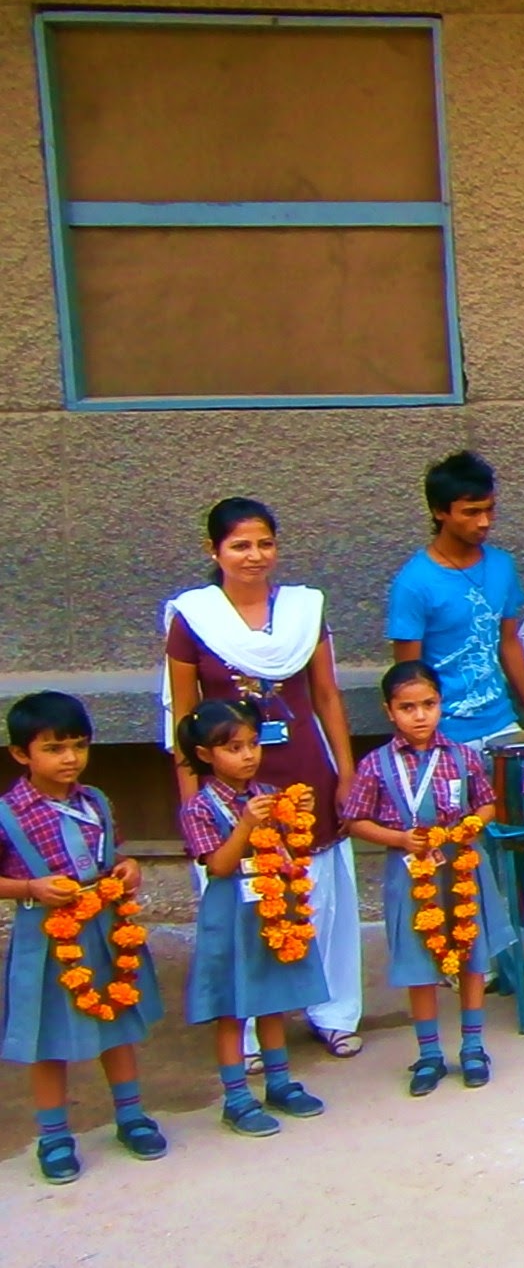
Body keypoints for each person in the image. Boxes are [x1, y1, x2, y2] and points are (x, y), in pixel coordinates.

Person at [162, 497, 363, 1060]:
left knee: (321, 895)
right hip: (229, 789)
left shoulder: (304, 610)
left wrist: (347, 773)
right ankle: (248, 1031)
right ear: (214, 551)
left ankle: (333, 1012)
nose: (255, 556)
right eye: (240, 545)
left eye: (265, 543)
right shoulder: (192, 618)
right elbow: (183, 716)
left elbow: (326, 695)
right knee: (245, 905)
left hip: (304, 771)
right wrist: (191, 799)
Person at [0, 692, 165, 1183]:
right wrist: (28, 887)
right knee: (48, 1037)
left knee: (117, 1018)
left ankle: (131, 1116)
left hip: (106, 927)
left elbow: (113, 855)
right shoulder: (8, 814)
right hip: (47, 937)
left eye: (79, 745)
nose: (70, 758)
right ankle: (53, 1137)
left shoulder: (95, 801)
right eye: (53, 748)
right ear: (21, 754)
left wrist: (127, 868)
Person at [339, 661, 515, 1097]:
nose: (420, 716)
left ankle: (473, 1046)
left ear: (441, 704)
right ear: (389, 711)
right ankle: (429, 1052)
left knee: (472, 955)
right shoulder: (376, 764)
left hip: (461, 868)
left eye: (429, 704)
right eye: (407, 708)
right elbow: (355, 821)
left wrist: (470, 826)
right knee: (420, 961)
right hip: (410, 872)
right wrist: (400, 838)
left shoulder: (462, 756)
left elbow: (488, 804)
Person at [175, 699, 328, 1136]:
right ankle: (236, 1097)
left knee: (271, 997)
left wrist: (298, 814)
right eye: (234, 748)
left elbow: (289, 849)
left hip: (269, 909)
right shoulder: (198, 807)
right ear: (205, 754)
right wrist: (244, 825)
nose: (248, 756)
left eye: (253, 744)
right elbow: (219, 866)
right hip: (231, 915)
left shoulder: (266, 795)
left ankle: (279, 1082)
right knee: (233, 1007)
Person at [386, 451, 524, 746]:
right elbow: (407, 677)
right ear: (439, 512)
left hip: (502, 724)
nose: (484, 522)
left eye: (489, 510)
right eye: (470, 512)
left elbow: (508, 643)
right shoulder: (414, 583)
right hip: (444, 734)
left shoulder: (501, 565)